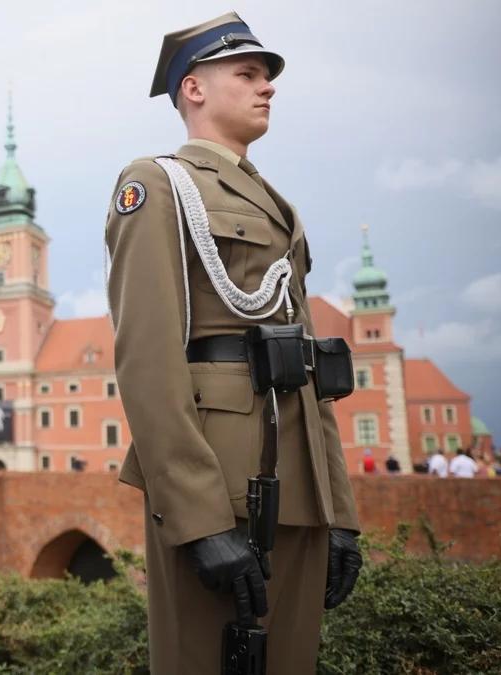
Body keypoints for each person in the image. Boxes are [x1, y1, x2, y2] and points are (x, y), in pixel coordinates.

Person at [105, 11, 361, 673]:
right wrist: (198, 517)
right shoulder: (158, 184)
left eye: (267, 76)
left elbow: (310, 366)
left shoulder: (277, 206)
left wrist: (339, 511)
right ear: (194, 88)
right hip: (221, 478)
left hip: (299, 476)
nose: (267, 86)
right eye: (247, 73)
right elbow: (147, 357)